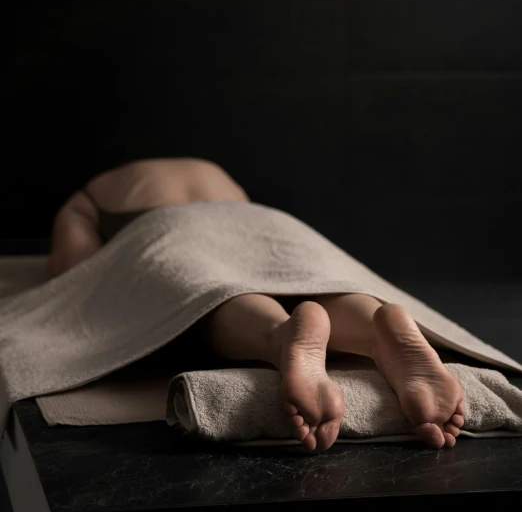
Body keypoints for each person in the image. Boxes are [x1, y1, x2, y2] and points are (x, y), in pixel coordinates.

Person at [49, 157, 465, 452]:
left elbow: (78, 282)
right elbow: (256, 259)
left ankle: (279, 335)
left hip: (161, 225)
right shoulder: (217, 175)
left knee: (210, 291)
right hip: (265, 222)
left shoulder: (91, 196)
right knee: (307, 282)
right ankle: (376, 325)